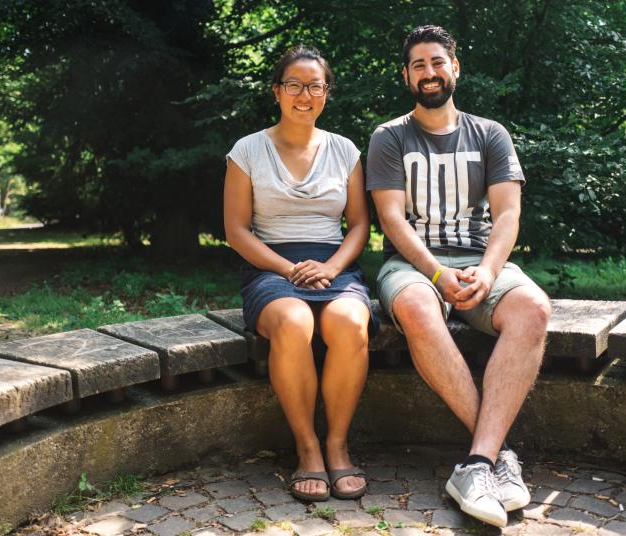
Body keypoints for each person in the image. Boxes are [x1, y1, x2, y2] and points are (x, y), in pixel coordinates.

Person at [366, 25, 551, 527]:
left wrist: (489, 272)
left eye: (437, 62)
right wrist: (436, 272)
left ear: (455, 68)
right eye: (419, 65)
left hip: (482, 261)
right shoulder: (389, 137)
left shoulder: (490, 133)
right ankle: (495, 456)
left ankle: (476, 464)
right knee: (416, 306)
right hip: (413, 266)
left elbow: (508, 215)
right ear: (407, 76)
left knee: (534, 309)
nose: (430, 72)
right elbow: (392, 220)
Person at [224, 45, 372, 502]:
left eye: (314, 86)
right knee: (294, 321)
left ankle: (337, 444)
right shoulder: (247, 150)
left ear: (326, 92)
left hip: (335, 267)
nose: (304, 95)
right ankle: (307, 450)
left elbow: (360, 224)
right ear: (277, 91)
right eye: (294, 85)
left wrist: (329, 267)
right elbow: (235, 231)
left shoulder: (344, 149)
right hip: (271, 267)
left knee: (349, 321)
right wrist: (291, 269)